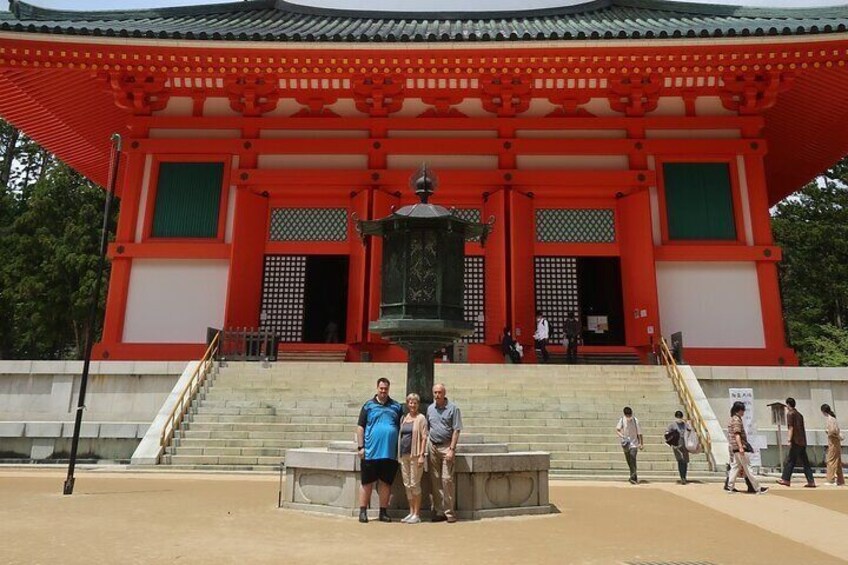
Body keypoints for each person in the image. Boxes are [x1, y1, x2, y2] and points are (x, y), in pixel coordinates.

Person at [356, 377, 403, 523]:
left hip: (389, 453)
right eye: (381, 388)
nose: (383, 391)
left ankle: (383, 511)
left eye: (386, 389)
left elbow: (402, 426)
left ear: (389, 389)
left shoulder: (396, 406)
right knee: (366, 482)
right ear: (377, 388)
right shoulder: (368, 405)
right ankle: (363, 511)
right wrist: (360, 447)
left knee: (386, 483)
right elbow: (360, 427)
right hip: (370, 452)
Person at [427, 383, 463, 523]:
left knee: (446, 480)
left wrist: (452, 449)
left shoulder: (453, 409)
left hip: (447, 447)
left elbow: (456, 429)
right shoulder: (430, 409)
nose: (437, 395)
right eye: (435, 392)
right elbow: (429, 428)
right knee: (435, 480)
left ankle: (449, 513)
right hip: (433, 447)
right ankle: (438, 511)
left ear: (444, 393)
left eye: (439, 392)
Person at [399, 393, 429, 524]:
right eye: (410, 402)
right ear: (407, 404)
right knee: (407, 484)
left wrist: (422, 455)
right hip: (404, 455)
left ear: (418, 404)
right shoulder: (404, 418)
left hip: (416, 455)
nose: (412, 405)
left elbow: (424, 437)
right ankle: (411, 512)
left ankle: (417, 514)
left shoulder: (421, 418)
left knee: (414, 484)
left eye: (415, 403)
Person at [727, 401, 768, 494]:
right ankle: (757, 488)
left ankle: (730, 486)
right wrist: (741, 447)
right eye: (742, 410)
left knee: (735, 467)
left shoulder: (732, 419)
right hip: (740, 447)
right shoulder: (737, 420)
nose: (743, 412)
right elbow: (737, 434)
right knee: (748, 468)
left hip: (734, 447)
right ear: (739, 410)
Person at [776, 397, 816, 488]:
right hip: (802, 441)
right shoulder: (799, 415)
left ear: (788, 404)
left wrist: (789, 439)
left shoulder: (790, 414)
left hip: (796, 441)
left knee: (791, 460)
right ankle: (811, 481)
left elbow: (791, 427)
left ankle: (785, 479)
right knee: (805, 462)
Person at [616, 406, 643, 484]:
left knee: (632, 458)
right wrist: (622, 436)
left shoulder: (635, 421)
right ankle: (633, 475)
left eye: (630, 415)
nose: (629, 417)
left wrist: (641, 443)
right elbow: (617, 430)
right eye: (627, 415)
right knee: (629, 460)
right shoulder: (622, 420)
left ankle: (633, 476)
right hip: (626, 444)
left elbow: (640, 433)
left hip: (634, 444)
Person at [822, 404, 845, 486]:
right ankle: (840, 480)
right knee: (837, 461)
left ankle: (830, 479)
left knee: (831, 460)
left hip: (833, 442)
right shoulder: (833, 419)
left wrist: (828, 432)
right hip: (836, 442)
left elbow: (832, 431)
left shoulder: (830, 419)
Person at [665, 411, 691, 484]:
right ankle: (682, 477)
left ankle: (684, 476)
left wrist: (688, 424)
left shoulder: (684, 424)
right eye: (678, 417)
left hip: (684, 444)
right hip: (676, 444)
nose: (679, 419)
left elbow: (689, 430)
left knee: (685, 461)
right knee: (680, 460)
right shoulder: (672, 425)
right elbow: (667, 433)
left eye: (680, 417)